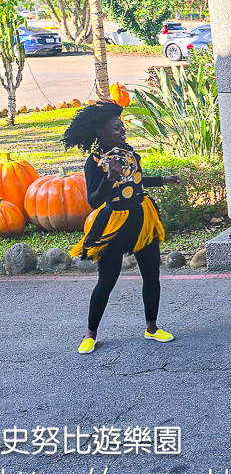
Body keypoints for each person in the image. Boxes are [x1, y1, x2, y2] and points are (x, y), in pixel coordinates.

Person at [63, 102, 181, 355]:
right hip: (114, 223)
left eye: (122, 126)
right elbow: (94, 201)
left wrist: (162, 180)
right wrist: (109, 179)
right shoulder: (94, 161)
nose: (122, 130)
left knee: (152, 276)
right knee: (106, 281)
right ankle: (90, 334)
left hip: (142, 218)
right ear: (101, 132)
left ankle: (152, 327)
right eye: (116, 128)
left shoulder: (128, 153)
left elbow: (135, 180)